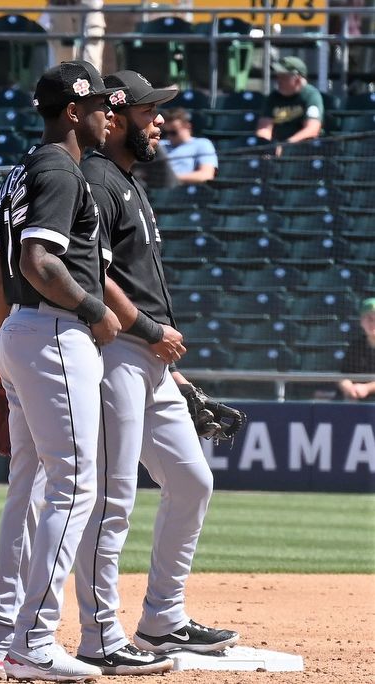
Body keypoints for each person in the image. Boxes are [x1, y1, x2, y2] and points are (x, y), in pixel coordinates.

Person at [74, 69, 239, 675]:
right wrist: (147, 331)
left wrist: (170, 366)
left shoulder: (127, 181)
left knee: (192, 481)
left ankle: (163, 619)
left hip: (151, 359)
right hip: (117, 349)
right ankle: (100, 633)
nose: (159, 121)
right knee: (112, 495)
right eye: (148, 113)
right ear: (113, 117)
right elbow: (89, 269)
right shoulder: (93, 177)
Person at [0, 60, 122, 683]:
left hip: (20, 331)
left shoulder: (22, 170)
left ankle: (3, 638)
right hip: (55, 333)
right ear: (73, 111)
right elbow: (41, 262)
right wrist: (96, 311)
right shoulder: (62, 169)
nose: (107, 117)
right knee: (73, 487)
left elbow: (0, 271)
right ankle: (34, 643)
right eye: (99, 107)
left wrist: (1, 354)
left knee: (29, 489)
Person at [255, 56, 324, 146]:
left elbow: (312, 129)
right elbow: (264, 128)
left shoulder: (311, 95)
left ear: (298, 79)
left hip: (304, 149)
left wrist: (287, 145)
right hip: (276, 147)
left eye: (283, 77)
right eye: (278, 76)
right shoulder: (273, 97)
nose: (278, 80)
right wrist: (266, 147)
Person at [40, 0, 105, 73]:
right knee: (63, 59)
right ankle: (65, 81)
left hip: (90, 6)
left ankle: (91, 82)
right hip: (60, 6)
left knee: (91, 51)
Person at [159, 107, 218, 183]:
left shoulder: (202, 144)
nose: (168, 136)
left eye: (173, 132)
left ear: (187, 126)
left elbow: (207, 175)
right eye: (166, 133)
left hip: (183, 190)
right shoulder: (160, 145)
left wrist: (169, 178)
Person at [338, 298, 375, 401]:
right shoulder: (356, 346)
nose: (372, 323)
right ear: (361, 322)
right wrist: (348, 388)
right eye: (369, 319)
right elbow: (344, 374)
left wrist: (367, 388)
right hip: (356, 400)